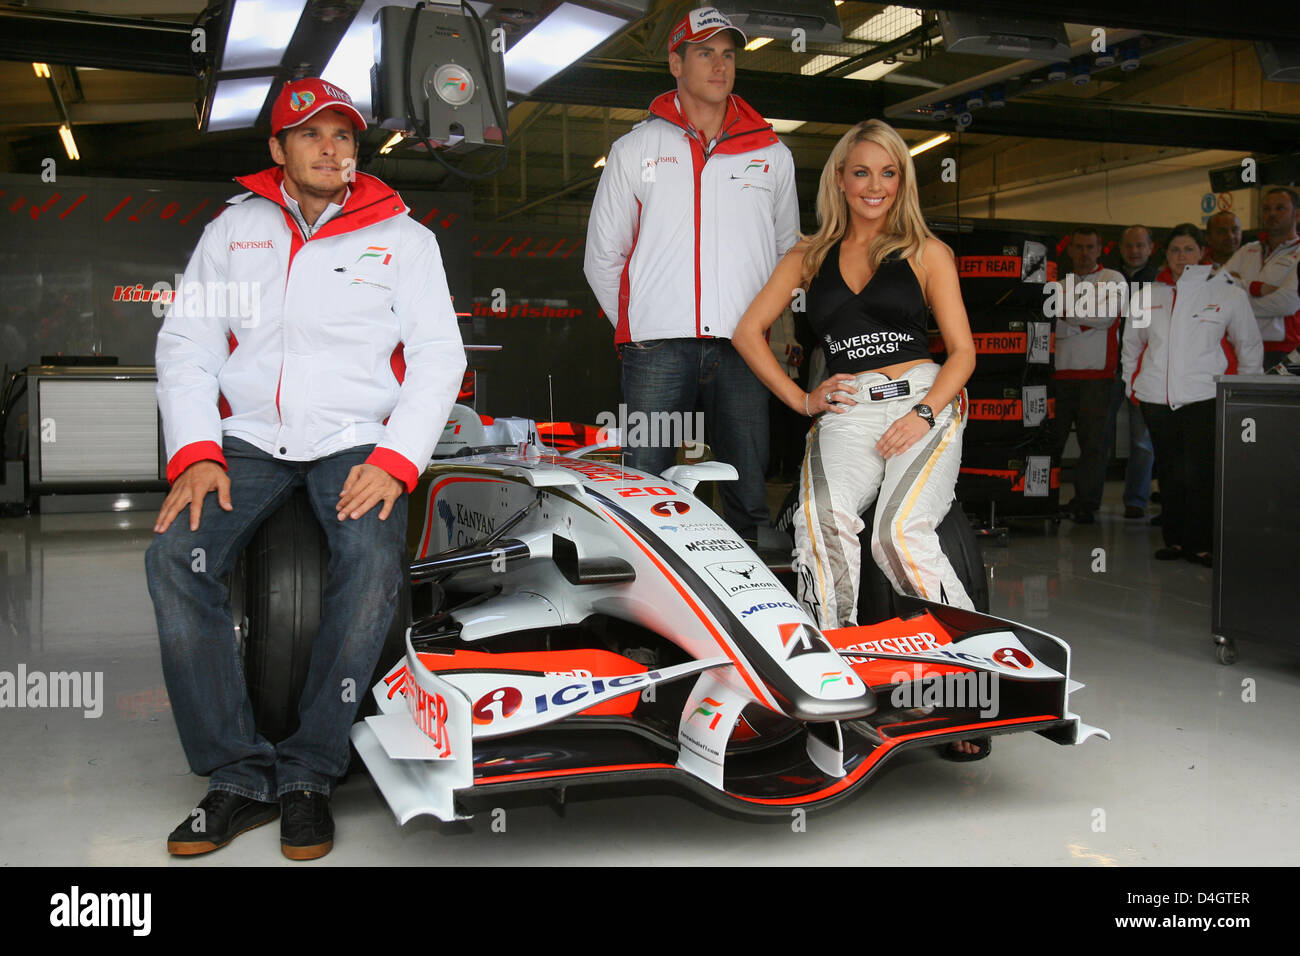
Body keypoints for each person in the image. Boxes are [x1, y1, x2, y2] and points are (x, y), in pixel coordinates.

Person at [144, 78, 465, 859]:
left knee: (370, 556)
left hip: (357, 435)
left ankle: (311, 770)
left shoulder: (405, 238)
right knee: (172, 558)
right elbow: (187, 344)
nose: (331, 149)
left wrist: (395, 461)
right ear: (278, 151)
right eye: (312, 135)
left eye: (344, 136)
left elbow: (436, 357)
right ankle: (235, 773)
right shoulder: (234, 231)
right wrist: (195, 451)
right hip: (248, 436)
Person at [732, 120, 977, 655]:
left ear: (901, 181)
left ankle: (975, 669)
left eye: (888, 173)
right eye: (862, 172)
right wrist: (801, 400)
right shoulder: (809, 255)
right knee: (820, 520)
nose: (875, 185)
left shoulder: (925, 251)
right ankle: (835, 664)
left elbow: (963, 353)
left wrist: (926, 414)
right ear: (840, 178)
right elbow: (748, 332)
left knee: (897, 534)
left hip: (922, 399)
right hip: (848, 406)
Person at [584, 5, 799, 545]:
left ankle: (752, 613)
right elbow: (602, 257)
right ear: (675, 63)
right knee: (646, 485)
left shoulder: (772, 154)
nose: (720, 65)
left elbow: (788, 255)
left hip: (745, 347)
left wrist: (767, 328)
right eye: (706, 53)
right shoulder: (634, 149)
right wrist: (641, 326)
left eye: (728, 55)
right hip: (656, 349)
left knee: (748, 487)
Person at [1122, 223, 1262, 566]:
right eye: (1174, 250)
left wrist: (1244, 394)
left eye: (1188, 250)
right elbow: (1130, 346)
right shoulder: (1147, 295)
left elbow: (1248, 346)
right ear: (1164, 254)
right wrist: (1132, 386)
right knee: (1168, 471)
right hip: (1155, 397)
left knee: (1200, 473)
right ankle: (1176, 540)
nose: (1181, 257)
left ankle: (1201, 543)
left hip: (1204, 397)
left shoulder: (1227, 293)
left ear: (1202, 253)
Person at [1052, 228, 1126, 524]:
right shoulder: (1056, 284)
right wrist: (1081, 321)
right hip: (1059, 376)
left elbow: (1106, 317)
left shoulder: (1113, 279)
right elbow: (1052, 328)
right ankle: (1047, 499)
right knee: (1052, 443)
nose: (1084, 253)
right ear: (1070, 251)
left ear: (1099, 250)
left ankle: (1086, 503)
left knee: (1093, 445)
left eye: (1090, 247)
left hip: (1098, 375)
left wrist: (1067, 317)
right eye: (1079, 247)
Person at [1104, 225, 1157, 518]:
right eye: (1129, 245)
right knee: (1100, 437)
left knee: (1142, 441)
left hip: (1143, 370)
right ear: (1120, 248)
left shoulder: (1160, 281)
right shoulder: (1108, 279)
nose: (1135, 251)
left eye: (1140, 245)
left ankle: (1136, 501)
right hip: (1108, 369)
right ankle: (1088, 502)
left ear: (1151, 248)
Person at [1224, 187, 1300, 369]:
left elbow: (1287, 303)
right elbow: (1219, 289)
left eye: (1280, 208)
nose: (1272, 214)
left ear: (1297, 215)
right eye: (1266, 209)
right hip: (1240, 346)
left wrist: (1238, 296)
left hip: (1284, 351)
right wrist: (1255, 287)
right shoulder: (1247, 250)